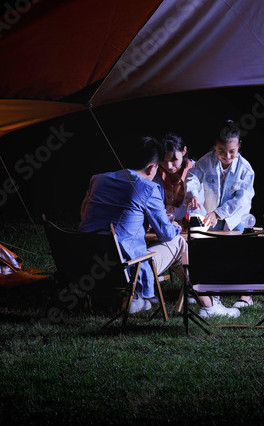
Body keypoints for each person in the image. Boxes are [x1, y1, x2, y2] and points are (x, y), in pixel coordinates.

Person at [80, 135, 239, 318]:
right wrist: (174, 226)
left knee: (132, 242)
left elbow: (85, 214)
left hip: (86, 262)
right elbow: (166, 234)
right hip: (125, 268)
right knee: (178, 243)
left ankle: (135, 297)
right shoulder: (148, 188)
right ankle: (209, 306)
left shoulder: (97, 180)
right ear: (152, 167)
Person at [186, 119, 257, 308]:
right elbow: (192, 177)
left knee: (241, 250)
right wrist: (193, 194)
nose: (227, 156)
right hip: (210, 215)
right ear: (215, 147)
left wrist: (219, 213)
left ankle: (246, 295)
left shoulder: (245, 169)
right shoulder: (205, 161)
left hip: (234, 217)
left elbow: (241, 200)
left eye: (232, 151)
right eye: (221, 151)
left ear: (239, 146)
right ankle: (209, 291)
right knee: (205, 248)